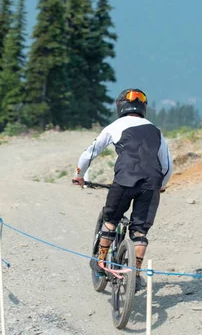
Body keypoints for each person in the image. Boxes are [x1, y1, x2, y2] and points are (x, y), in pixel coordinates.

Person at [73, 88, 172, 292]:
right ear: (143, 108)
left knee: (110, 220)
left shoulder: (115, 126)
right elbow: (167, 165)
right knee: (140, 231)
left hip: (125, 180)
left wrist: (80, 175)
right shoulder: (155, 130)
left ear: (120, 107)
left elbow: (89, 154)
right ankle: (135, 275)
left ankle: (100, 265)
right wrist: (161, 184)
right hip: (151, 183)